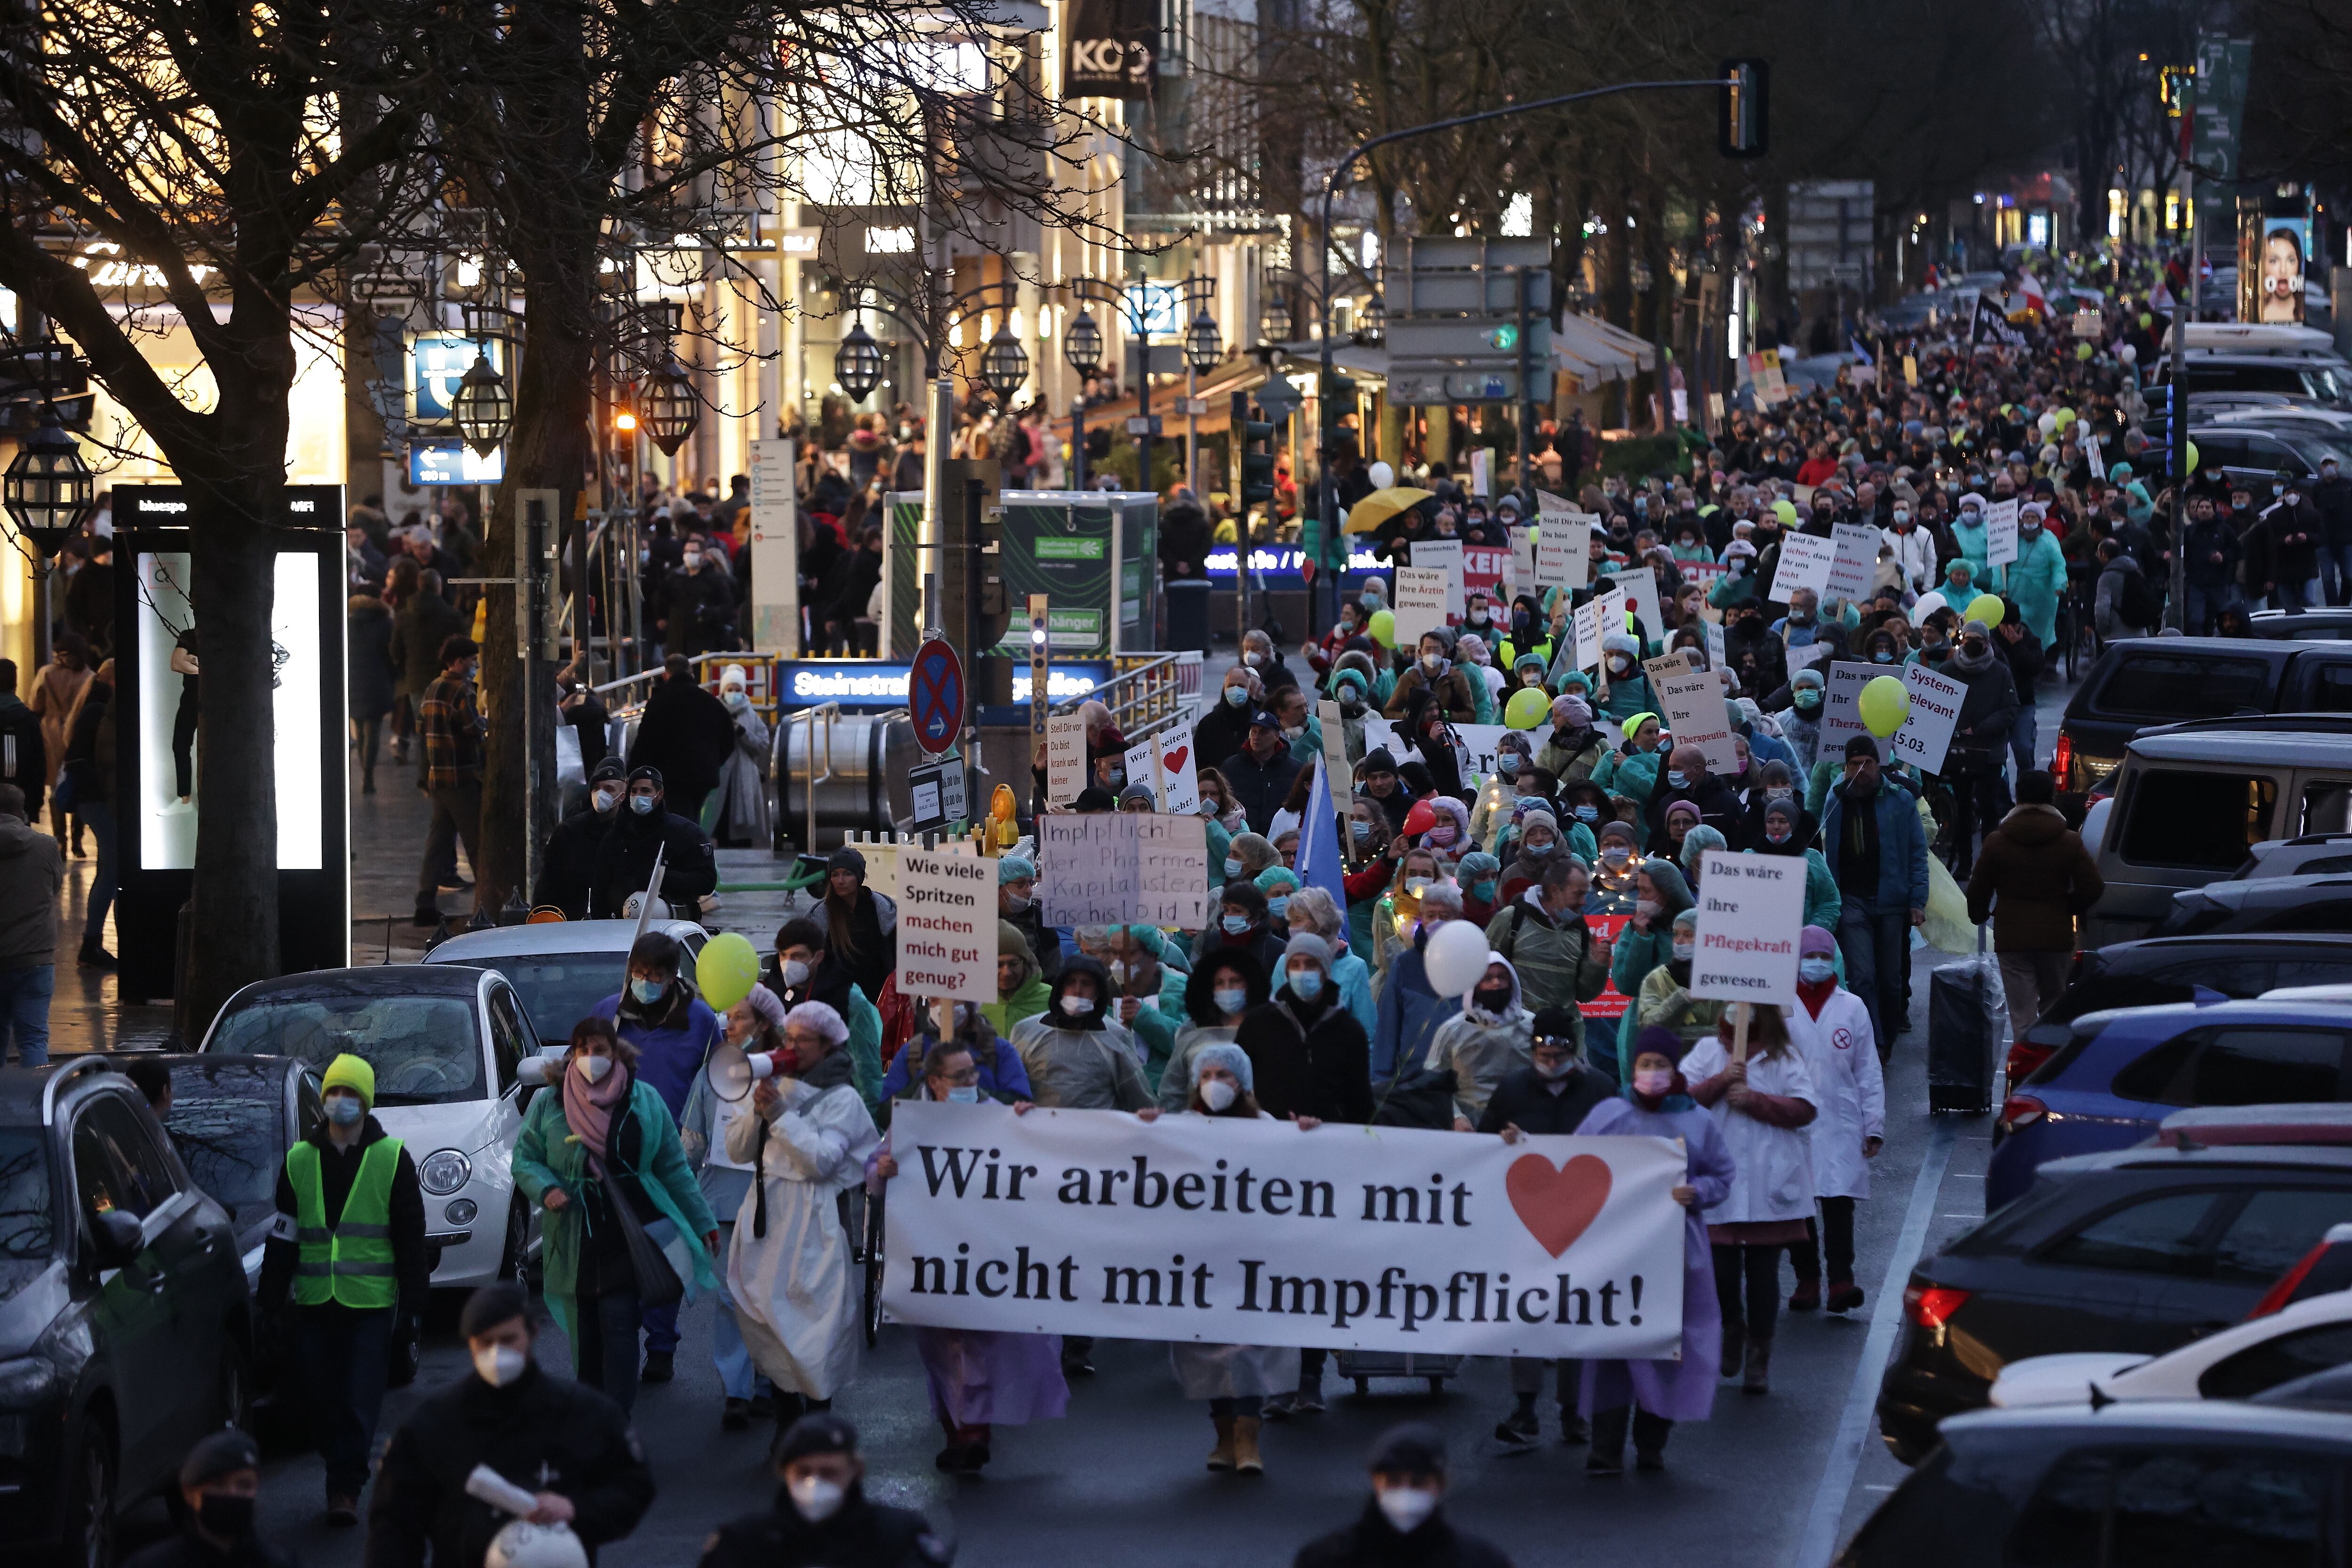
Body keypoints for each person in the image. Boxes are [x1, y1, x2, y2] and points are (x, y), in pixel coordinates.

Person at [869, 1040, 1064, 1473]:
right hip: (928, 1250)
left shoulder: (998, 1115)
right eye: (959, 1077)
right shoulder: (913, 1123)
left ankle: (975, 1431)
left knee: (979, 1342)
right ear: (936, 1082)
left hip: (981, 1248)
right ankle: (954, 1431)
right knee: (940, 1348)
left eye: (973, 1073)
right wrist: (881, 1172)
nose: (970, 1082)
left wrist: (1028, 1125)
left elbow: (1032, 1164)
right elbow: (874, 1169)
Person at [368, 1282, 658, 1568]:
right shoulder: (433, 1425)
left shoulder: (583, 1413)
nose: (497, 1354)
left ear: (533, 1333)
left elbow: (635, 1485)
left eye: (508, 1340)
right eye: (485, 1342)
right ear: (469, 1343)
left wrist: (576, 1509)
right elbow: (394, 1526)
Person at [511, 1016, 719, 1410]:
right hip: (575, 1232)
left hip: (630, 1227)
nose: (592, 1058)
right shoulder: (550, 1103)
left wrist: (703, 1221)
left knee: (620, 1324)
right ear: (572, 1054)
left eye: (600, 1049)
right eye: (583, 1050)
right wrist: (548, 1188)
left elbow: (673, 1167)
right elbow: (525, 1158)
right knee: (587, 1335)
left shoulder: (644, 1100)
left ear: (616, 1051)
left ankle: (619, 1422)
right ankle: (593, 1418)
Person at [257, 1052, 428, 1523]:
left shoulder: (392, 1159)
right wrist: (270, 1303)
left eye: (350, 1094)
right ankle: (340, 1466)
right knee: (319, 1398)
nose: (340, 1101)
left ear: (366, 1102)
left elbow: (410, 1239)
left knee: (357, 1397)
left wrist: (413, 1306)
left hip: (370, 1306)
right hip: (314, 1305)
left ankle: (344, 1488)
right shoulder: (299, 1160)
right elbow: (284, 1235)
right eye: (333, 1092)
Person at [1142, 1045, 1316, 1475]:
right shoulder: (1181, 1127)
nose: (1216, 1082)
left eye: (1226, 1074)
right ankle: (1222, 1434)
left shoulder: (1266, 1127)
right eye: (1208, 1074)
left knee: (1249, 1348)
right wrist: (1143, 1130)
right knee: (1205, 1348)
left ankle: (1248, 1437)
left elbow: (1298, 1170)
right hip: (1197, 1259)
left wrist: (1309, 1136)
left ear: (1244, 1082)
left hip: (1252, 1257)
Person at [1574, 1027, 1732, 1472]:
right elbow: (1573, 1162)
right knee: (1611, 1350)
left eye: (1661, 1064)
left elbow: (1723, 1174)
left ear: (1675, 1068)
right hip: (1616, 1256)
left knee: (1665, 1347)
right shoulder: (1609, 1115)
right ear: (1634, 1066)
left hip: (1676, 1255)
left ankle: (1651, 1444)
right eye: (1646, 1064)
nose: (1653, 1073)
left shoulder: (1697, 1121)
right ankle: (1603, 1449)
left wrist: (1696, 1190)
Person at [724, 1001, 882, 1426]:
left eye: (803, 1041)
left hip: (813, 1218)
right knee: (768, 1320)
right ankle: (786, 1419)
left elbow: (822, 1162)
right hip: (766, 1213)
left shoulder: (843, 1098)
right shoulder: (775, 1084)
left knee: (814, 1324)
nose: (792, 1047)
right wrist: (755, 1113)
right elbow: (738, 1150)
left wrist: (779, 1115)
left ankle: (817, 1421)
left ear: (828, 1046)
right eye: (788, 1038)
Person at [1681, 1006, 1818, 1394]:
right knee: (1720, 1274)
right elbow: (1680, 1101)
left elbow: (1805, 1108)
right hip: (1720, 1189)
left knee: (1763, 1278)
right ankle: (1732, 1327)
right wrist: (1721, 1081)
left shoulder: (1783, 1056)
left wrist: (1756, 1100)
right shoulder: (1708, 1051)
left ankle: (1760, 1354)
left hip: (1767, 1186)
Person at [696, 1413, 953, 1568]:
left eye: (829, 1473)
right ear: (783, 1472)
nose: (814, 1483)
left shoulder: (898, 1535)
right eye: (803, 1472)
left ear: (857, 1470)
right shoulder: (747, 1541)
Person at [1784, 928, 1884, 1315]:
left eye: (1824, 956)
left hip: (1841, 1119)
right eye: (1811, 955)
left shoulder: (1852, 1007)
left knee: (1839, 1202)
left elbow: (1868, 1070)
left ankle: (1841, 1279)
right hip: (1792, 1119)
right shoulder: (1779, 1006)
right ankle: (1806, 1279)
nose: (1818, 962)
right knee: (1799, 1203)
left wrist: (1873, 1124)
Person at [1965, 769, 2105, 1043]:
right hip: (2056, 936)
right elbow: (2094, 886)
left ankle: (2024, 1070)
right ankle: (2048, 1068)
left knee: (2022, 1014)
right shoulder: (2069, 841)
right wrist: (2069, 907)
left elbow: (1978, 890)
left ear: (2018, 798)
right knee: (2054, 1007)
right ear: (2051, 798)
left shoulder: (1997, 841)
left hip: (2013, 937)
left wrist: (1979, 914)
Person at [1819, 737, 1929, 1054]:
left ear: (1879, 764)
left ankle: (1889, 1033)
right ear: (1845, 767)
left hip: (1891, 901)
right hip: (1852, 900)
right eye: (1854, 764)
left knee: (1890, 979)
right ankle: (1874, 1042)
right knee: (1862, 976)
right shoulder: (1837, 799)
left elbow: (1917, 853)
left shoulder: (1900, 799)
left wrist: (1917, 900)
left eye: (1867, 763)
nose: (1861, 770)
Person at [1293, 1424, 1513, 1568]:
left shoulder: (1483, 1562)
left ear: (1442, 1484)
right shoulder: (1324, 1560)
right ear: (1375, 1481)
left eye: (1418, 1483)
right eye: (1394, 1481)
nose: (1405, 1492)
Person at [1235, 933, 1375, 1125]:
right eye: (1295, 965)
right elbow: (1239, 1086)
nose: (1302, 972)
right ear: (1287, 972)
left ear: (1325, 971)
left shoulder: (1349, 1032)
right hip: (1267, 1136)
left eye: (1310, 964)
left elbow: (1360, 1103)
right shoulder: (1258, 1024)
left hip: (1329, 1139)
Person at [123, 1430, 292, 1568]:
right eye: (218, 1484)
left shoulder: (279, 1563)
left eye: (244, 1485)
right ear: (189, 1493)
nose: (232, 1493)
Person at [410, 636, 484, 927]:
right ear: (459, 661)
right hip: (460, 777)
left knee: (438, 843)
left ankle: (425, 904)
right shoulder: (460, 691)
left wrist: (423, 776)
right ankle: (486, 906)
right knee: (477, 843)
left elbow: (420, 729)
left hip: (437, 778)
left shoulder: (432, 687)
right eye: (472, 659)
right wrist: (489, 723)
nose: (475, 664)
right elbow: (473, 729)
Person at [588, 764, 719, 918]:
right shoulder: (617, 837)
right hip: (622, 921)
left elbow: (707, 881)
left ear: (659, 794)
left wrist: (660, 878)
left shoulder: (686, 833)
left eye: (645, 791)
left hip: (673, 916)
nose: (638, 796)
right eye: (634, 791)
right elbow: (600, 890)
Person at [1426, 956, 1533, 1128]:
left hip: (1522, 1124)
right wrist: (1455, 1116)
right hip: (1469, 1125)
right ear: (1475, 986)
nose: (1496, 983)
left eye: (1502, 977)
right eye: (1488, 979)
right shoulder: (1452, 1030)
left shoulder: (1531, 1025)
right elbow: (1433, 1080)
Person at [629, 655, 737, 823]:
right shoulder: (709, 702)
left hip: (669, 776)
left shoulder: (659, 702)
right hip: (703, 772)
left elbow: (645, 742)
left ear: (666, 674)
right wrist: (714, 760)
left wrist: (634, 772)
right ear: (691, 672)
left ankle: (685, 847)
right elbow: (729, 739)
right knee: (692, 817)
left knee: (676, 819)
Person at [60, 662, 117, 968]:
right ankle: (92, 942)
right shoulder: (100, 709)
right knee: (112, 870)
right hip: (98, 801)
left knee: (110, 869)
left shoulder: (92, 706)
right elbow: (93, 758)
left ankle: (93, 942)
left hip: (93, 800)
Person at [0, 784, 61, 1066]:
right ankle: (38, 1104)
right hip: (35, 958)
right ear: (21, 810)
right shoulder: (46, 846)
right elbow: (55, 887)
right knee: (34, 1039)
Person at [811, 846, 896, 1005]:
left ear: (859, 877)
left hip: (879, 999)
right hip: (837, 1000)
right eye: (835, 875)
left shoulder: (880, 911)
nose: (841, 881)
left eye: (848, 874)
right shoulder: (823, 915)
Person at [542, 759, 625, 919]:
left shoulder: (630, 830)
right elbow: (550, 881)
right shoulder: (570, 830)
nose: (601, 794)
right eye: (596, 788)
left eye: (609, 789)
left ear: (622, 795)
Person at [28, 635, 88, 848]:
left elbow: (35, 704)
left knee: (55, 788)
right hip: (79, 733)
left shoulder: (47, 674)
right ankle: (78, 840)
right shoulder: (89, 675)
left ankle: (60, 839)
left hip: (51, 732)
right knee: (79, 785)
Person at [1636, 908, 1723, 1050]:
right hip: (1671, 1062)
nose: (1679, 942)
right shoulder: (1658, 978)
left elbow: (1734, 1029)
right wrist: (1684, 999)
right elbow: (1649, 1026)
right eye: (1676, 934)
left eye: (1688, 935)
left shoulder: (1722, 977)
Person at [712, 664, 772, 848]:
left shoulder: (751, 715)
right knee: (720, 818)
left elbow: (762, 743)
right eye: (730, 689)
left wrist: (742, 733)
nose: (734, 693)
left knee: (744, 818)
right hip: (720, 775)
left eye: (738, 690)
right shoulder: (714, 712)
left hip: (744, 775)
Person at [1221, 708, 1304, 836]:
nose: (1256, 737)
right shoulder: (1231, 767)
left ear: (1277, 736)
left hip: (1279, 841)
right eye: (1254, 732)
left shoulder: (1294, 770)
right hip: (1240, 839)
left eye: (1263, 732)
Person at [346, 593, 396, 796]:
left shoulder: (347, 625)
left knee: (359, 729)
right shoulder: (385, 624)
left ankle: (364, 770)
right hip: (378, 680)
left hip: (352, 681)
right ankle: (369, 774)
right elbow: (391, 654)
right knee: (373, 729)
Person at [994, 854, 1063, 986]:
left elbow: (1055, 971)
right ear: (1000, 888)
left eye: (1031, 883)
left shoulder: (1039, 921)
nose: (1029, 891)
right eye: (1021, 885)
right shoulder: (982, 920)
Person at [985, 922, 1054, 1039]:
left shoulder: (1051, 997)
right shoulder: (974, 1001)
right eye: (998, 965)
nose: (1006, 973)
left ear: (1025, 962)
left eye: (1013, 964)